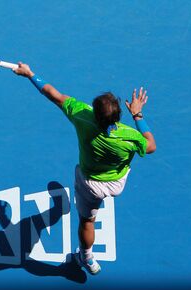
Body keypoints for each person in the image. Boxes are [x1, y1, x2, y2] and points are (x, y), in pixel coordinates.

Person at [13, 62, 156, 275]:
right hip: (117, 182)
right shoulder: (130, 137)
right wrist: (137, 115)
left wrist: (30, 74)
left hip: (90, 184)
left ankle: (86, 257)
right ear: (117, 116)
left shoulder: (82, 116)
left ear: (95, 114)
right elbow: (150, 145)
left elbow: (53, 94)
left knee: (87, 222)